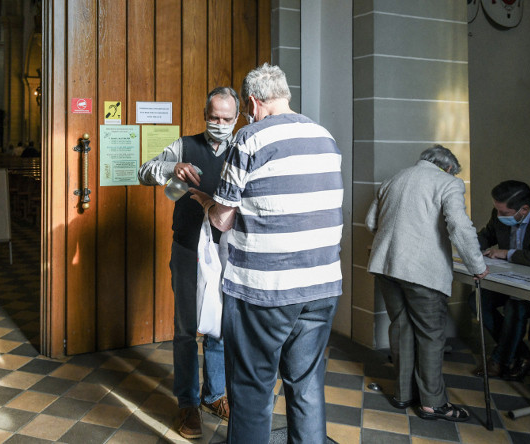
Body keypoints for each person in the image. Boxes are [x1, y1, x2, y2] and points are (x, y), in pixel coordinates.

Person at [190, 64, 342, 444]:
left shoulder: (250, 138)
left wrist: (206, 200)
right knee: (306, 387)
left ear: (254, 102)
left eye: (246, 109)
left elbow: (223, 220)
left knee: (253, 389)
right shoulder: (325, 137)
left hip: (265, 290)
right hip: (322, 285)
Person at [138, 86, 239, 439]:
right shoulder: (184, 145)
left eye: (227, 119)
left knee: (220, 325)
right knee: (186, 329)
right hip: (187, 248)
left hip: (227, 249)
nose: (220, 124)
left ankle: (215, 395)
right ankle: (187, 404)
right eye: (214, 118)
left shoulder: (242, 149)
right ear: (204, 115)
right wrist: (172, 168)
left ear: (237, 118)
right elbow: (144, 171)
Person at [365, 145, 489, 423]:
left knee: (402, 327)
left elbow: (371, 222)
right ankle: (433, 403)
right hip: (421, 272)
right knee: (431, 336)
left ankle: (403, 395)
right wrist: (477, 266)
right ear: (448, 168)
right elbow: (459, 225)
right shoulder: (449, 183)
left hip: (386, 265)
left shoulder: (394, 179)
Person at [468, 180, 530, 380]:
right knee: (477, 300)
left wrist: (507, 253)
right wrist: (469, 247)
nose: (498, 216)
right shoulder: (501, 214)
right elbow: (486, 236)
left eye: (504, 213)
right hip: (509, 280)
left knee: (516, 307)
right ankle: (524, 356)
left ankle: (499, 360)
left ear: (524, 209)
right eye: (497, 210)